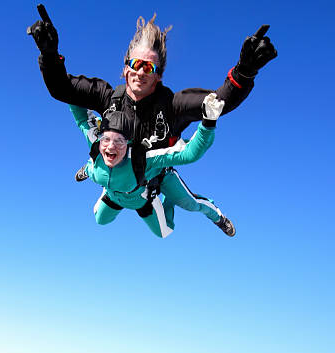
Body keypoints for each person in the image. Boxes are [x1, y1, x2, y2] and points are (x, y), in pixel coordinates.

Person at [28, 8, 276, 235]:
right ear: (125, 68)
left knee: (188, 204)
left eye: (149, 67)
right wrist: (49, 56)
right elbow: (62, 90)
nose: (140, 72)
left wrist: (245, 72)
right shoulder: (107, 97)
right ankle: (94, 170)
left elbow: (218, 104)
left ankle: (216, 215)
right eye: (135, 64)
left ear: (158, 76)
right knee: (100, 150)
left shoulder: (172, 107)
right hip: (120, 167)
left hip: (159, 171)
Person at [71, 93, 229, 238]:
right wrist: (55, 73)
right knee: (100, 219)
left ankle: (217, 217)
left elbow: (189, 154)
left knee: (182, 213)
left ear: (128, 144)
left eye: (119, 141)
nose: (111, 146)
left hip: (150, 189)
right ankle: (89, 169)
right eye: (106, 139)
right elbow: (80, 115)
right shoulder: (96, 145)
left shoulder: (142, 157)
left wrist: (208, 122)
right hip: (116, 194)